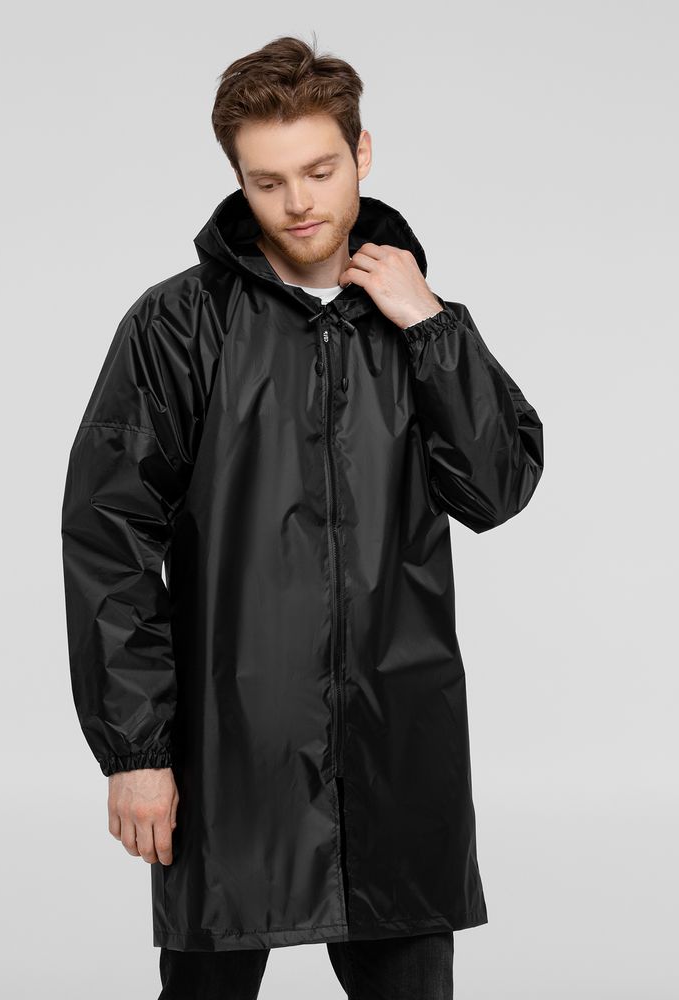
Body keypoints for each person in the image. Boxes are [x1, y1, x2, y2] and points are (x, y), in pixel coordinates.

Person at [61, 33, 544, 1000]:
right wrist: (137, 752)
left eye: (320, 171)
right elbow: (110, 539)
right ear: (238, 178)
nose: (298, 203)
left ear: (362, 152)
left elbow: (496, 489)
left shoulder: (419, 324)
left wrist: (432, 325)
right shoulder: (178, 325)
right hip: (231, 749)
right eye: (267, 181)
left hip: (395, 750)